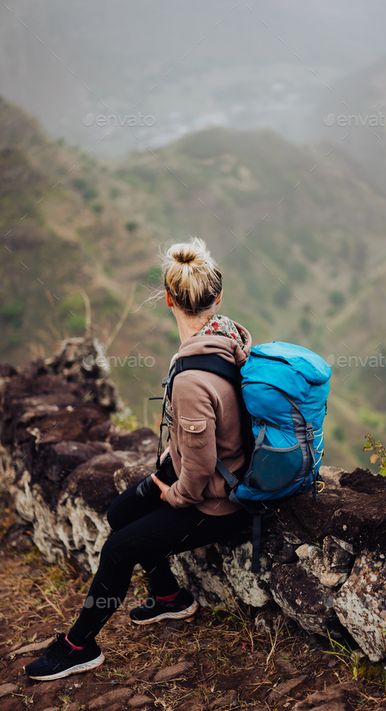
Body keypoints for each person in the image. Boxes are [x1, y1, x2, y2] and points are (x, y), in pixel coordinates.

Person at [26, 238, 253, 681]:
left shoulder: (193, 376)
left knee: (120, 547)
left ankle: (79, 645)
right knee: (120, 511)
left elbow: (201, 470)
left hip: (218, 503)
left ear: (168, 299)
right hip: (227, 472)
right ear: (218, 297)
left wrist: (175, 494)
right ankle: (169, 598)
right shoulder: (229, 337)